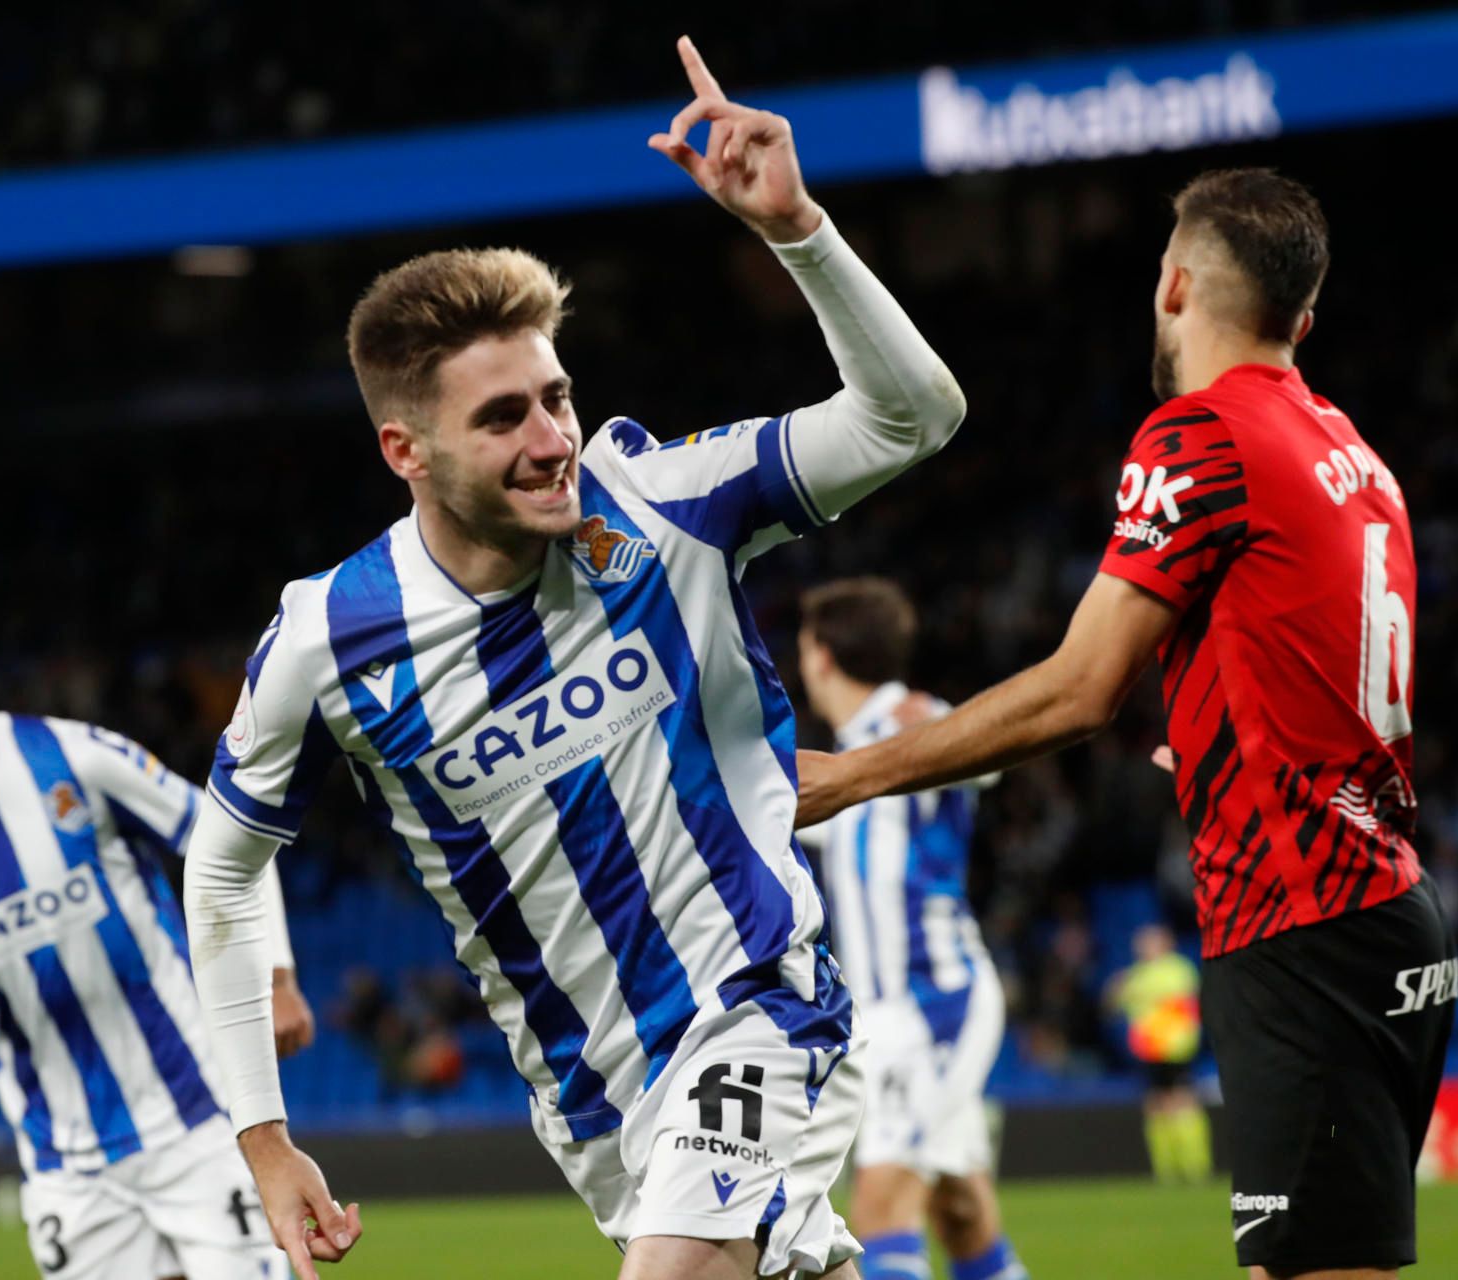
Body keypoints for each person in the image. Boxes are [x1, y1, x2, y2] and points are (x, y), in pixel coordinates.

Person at [184, 35, 967, 1280]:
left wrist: (797, 231)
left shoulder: (665, 505)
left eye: (556, 396)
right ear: (405, 450)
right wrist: (264, 1137)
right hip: (598, 1104)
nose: (553, 439)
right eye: (503, 417)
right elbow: (223, 870)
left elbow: (912, 417)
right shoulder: (331, 635)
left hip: (759, 1004)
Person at [795, 169, 1457, 1279]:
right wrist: (1217, 731)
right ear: (1302, 320)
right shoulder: (1349, 448)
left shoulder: (1199, 434)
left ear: (1175, 285)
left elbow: (1078, 690)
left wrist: (854, 773)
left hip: (1304, 923)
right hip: (1381, 907)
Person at [0, 573, 312, 1280]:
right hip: (65, 1165)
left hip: (197, 1116)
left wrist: (274, 973)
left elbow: (229, 843)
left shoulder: (73, 757)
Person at [793, 579, 1028, 1280]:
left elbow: (988, 756)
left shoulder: (907, 722)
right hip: (889, 1012)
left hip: (932, 1000)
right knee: (961, 1210)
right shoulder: (843, 761)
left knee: (880, 1205)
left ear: (822, 656)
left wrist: (936, 718)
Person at [1105, 923, 1210, 1185]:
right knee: (1155, 1105)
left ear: (1165, 943)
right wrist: (1115, 991)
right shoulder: (1135, 974)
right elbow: (1111, 1007)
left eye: (1148, 941)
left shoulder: (1178, 969)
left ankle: (1195, 1167)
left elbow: (1179, 1004)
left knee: (1182, 1102)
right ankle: (1165, 1171)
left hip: (1175, 1047)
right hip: (1149, 1049)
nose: (1142, 946)